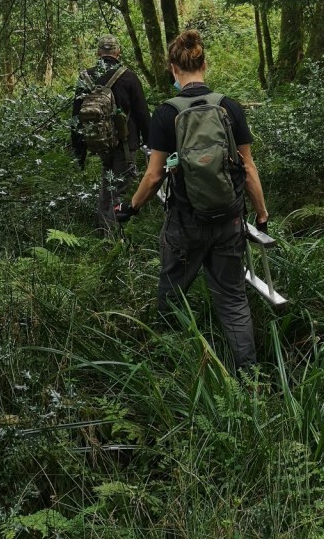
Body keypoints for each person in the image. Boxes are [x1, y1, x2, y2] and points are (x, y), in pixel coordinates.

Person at [115, 29, 268, 372]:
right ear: (205, 64)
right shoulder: (229, 107)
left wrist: (131, 208)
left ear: (173, 68)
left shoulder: (166, 113)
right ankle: (250, 377)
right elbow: (248, 168)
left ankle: (171, 371)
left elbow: (154, 176)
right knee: (232, 299)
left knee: (172, 294)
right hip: (229, 219)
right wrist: (261, 214)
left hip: (185, 223)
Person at [71, 35, 151, 236]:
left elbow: (76, 116)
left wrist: (79, 151)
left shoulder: (86, 77)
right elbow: (142, 113)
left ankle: (103, 233)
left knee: (108, 187)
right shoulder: (129, 77)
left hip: (100, 144)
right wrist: (151, 144)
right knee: (119, 191)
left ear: (99, 52)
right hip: (125, 144)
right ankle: (112, 239)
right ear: (118, 52)